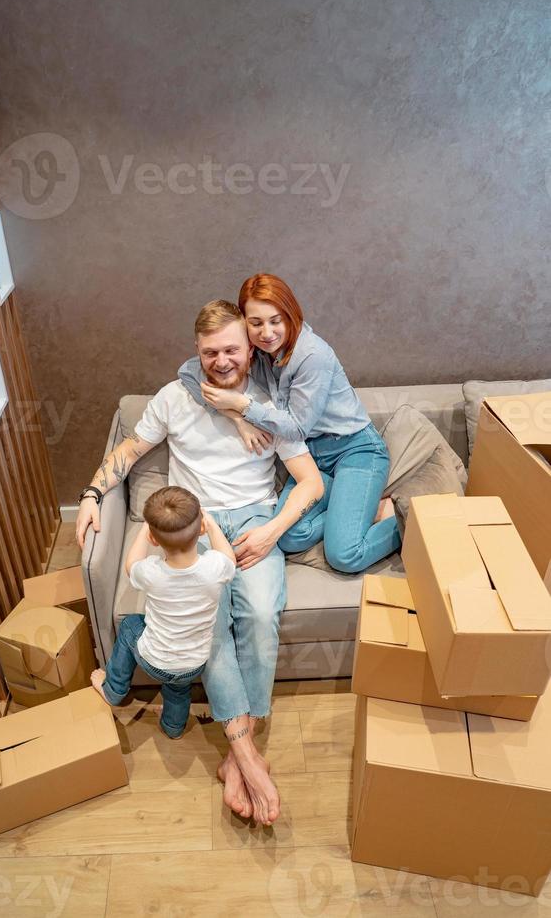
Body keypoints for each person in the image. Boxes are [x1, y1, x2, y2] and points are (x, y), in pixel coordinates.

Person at [76, 300, 324, 826]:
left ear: (249, 346)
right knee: (207, 628)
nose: (222, 360)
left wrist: (271, 530)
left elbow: (311, 482)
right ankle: (249, 759)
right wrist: (93, 493)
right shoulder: (174, 398)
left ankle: (239, 756)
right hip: (197, 528)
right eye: (211, 351)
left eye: (232, 349)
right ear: (196, 349)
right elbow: (127, 451)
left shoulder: (266, 402)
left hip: (256, 521)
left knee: (258, 616)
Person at [179, 274, 401, 573]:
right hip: (313, 462)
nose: (267, 332)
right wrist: (238, 420)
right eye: (255, 323)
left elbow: (296, 428)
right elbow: (189, 371)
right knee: (292, 536)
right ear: (244, 323)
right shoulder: (258, 354)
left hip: (354, 452)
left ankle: (407, 520)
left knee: (345, 554)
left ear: (291, 314)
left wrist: (243, 405)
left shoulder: (313, 355)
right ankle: (357, 509)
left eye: (275, 320)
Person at [91, 486, 236, 740]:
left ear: (154, 540)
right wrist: (212, 526)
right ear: (200, 528)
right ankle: (172, 728)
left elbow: (130, 564)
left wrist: (146, 531)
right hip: (193, 665)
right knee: (178, 690)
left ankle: (113, 690)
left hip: (153, 660)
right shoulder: (215, 568)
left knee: (129, 627)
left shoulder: (152, 572)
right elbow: (229, 558)